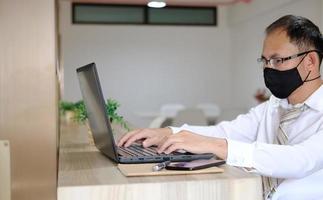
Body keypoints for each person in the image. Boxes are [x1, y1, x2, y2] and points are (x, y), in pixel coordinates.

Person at [118, 15, 323, 200]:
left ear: (310, 62)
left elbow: (300, 160)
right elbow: (225, 132)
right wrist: (168, 132)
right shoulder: (274, 107)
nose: (269, 69)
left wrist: (217, 146)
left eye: (278, 60)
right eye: (265, 61)